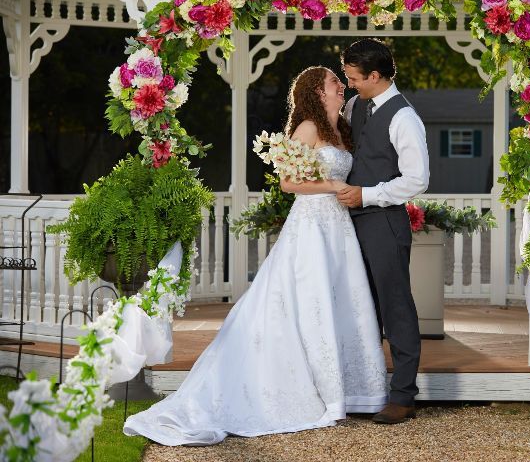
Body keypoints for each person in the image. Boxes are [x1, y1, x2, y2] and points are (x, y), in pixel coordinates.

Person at [123, 66, 387, 446]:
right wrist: (331, 184)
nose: (341, 86)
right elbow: (287, 182)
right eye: (334, 81)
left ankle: (349, 391)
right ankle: (317, 393)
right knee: (310, 300)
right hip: (312, 226)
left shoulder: (343, 128)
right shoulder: (308, 128)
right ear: (317, 90)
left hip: (339, 228)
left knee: (343, 300)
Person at [338, 38, 430, 424]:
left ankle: (404, 396)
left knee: (395, 308)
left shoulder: (404, 118)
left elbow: (418, 179)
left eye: (354, 77)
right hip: (347, 222)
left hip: (383, 221)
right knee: (360, 305)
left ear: (375, 75)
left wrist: (368, 195)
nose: (349, 84)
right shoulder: (354, 105)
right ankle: (365, 388)